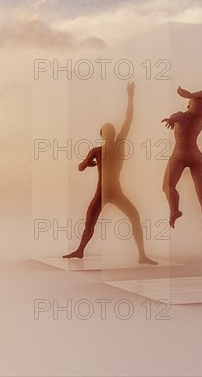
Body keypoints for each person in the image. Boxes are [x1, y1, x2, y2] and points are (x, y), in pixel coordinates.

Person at [63, 82, 157, 265]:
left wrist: (130, 98)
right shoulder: (99, 150)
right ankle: (80, 250)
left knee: (133, 217)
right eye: (109, 130)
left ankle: (142, 255)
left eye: (111, 130)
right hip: (104, 192)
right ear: (104, 134)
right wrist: (87, 162)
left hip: (113, 191)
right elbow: (80, 167)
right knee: (90, 223)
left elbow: (128, 120)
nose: (111, 132)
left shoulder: (112, 146)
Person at [161, 86, 202, 262]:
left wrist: (172, 118)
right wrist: (193, 95)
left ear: (188, 106)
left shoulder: (183, 115)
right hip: (196, 156)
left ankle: (174, 209)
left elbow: (176, 117)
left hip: (180, 155)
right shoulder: (201, 116)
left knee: (168, 186)